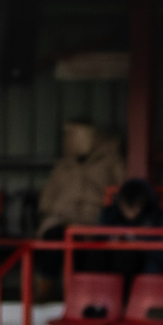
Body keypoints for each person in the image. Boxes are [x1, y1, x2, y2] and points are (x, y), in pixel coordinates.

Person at [34, 120, 125, 283]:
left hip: (96, 221)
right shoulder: (64, 165)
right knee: (55, 237)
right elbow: (46, 199)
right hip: (62, 221)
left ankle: (84, 293)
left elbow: (123, 192)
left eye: (75, 135)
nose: (70, 140)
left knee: (96, 250)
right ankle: (44, 287)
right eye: (68, 135)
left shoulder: (112, 161)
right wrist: (56, 215)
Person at [89, 177, 163, 278]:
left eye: (134, 208)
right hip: (111, 264)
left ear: (143, 204)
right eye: (126, 207)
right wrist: (111, 241)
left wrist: (139, 243)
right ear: (120, 202)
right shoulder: (110, 215)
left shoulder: (158, 218)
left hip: (143, 266)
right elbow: (96, 241)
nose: (130, 214)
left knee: (128, 256)